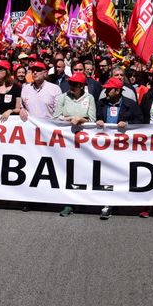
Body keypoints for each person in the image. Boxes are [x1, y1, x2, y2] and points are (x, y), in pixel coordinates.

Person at [95, 76, 143, 220]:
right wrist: (98, 120)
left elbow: (140, 120)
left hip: (124, 146)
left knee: (122, 174)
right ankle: (107, 203)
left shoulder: (130, 104)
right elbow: (95, 117)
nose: (106, 92)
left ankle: (123, 199)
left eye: (109, 89)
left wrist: (127, 123)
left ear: (117, 91)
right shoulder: (101, 103)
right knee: (106, 175)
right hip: (105, 146)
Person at [53, 71, 96, 217]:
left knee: (82, 170)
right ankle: (68, 202)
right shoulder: (63, 97)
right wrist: (70, 118)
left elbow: (92, 119)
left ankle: (83, 199)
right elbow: (56, 117)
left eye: (75, 84)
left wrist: (81, 120)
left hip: (83, 141)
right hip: (66, 140)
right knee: (67, 170)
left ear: (81, 86)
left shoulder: (89, 98)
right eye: (70, 83)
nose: (71, 86)